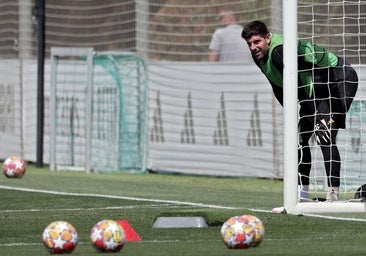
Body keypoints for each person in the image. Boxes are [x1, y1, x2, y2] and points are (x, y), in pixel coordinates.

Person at [241, 20, 358, 201]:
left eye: (257, 42)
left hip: (339, 79)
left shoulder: (279, 52)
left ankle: (332, 195)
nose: (253, 47)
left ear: (268, 37)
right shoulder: (259, 57)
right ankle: (301, 195)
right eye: (249, 44)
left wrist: (316, 114)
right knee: (300, 140)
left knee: (324, 133)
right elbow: (278, 84)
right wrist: (290, 112)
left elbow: (299, 77)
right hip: (315, 88)